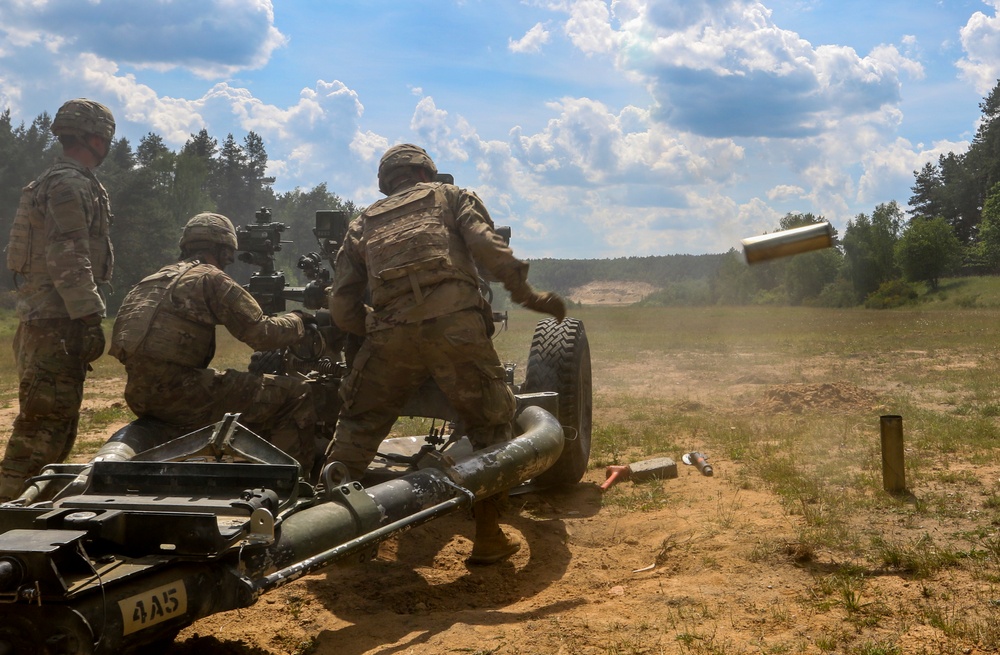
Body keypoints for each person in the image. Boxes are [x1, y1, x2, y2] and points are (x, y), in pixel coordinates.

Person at [326, 143, 566, 565]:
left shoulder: (362, 222)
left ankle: (331, 537)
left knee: (357, 428)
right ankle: (489, 538)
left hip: (390, 337)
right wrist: (526, 293)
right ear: (426, 172)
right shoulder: (451, 197)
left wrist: (382, 326)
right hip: (457, 330)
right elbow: (488, 250)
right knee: (492, 428)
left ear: (387, 182)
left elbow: (342, 306)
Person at [109, 212, 319, 474]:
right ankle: (295, 484)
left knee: (244, 390)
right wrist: (298, 320)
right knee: (295, 392)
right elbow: (262, 334)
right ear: (221, 250)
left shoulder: (151, 280)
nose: (227, 264)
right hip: (184, 394)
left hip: (140, 395)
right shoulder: (210, 277)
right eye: (228, 257)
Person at [0, 99, 116, 501]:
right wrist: (89, 318)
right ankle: (10, 515)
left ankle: (29, 511)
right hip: (57, 324)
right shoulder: (70, 184)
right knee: (40, 431)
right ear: (97, 138)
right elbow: (67, 255)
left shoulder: (56, 180)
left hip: (47, 321)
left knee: (55, 426)